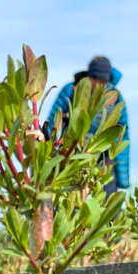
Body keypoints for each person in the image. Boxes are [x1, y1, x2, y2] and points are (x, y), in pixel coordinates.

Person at [46, 56, 130, 194]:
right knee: (68, 202)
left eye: (102, 81)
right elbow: (52, 122)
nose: (97, 84)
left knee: (108, 206)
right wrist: (48, 156)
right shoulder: (70, 91)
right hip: (72, 153)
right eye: (94, 79)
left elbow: (122, 137)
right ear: (88, 76)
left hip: (103, 156)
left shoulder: (115, 98)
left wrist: (123, 180)